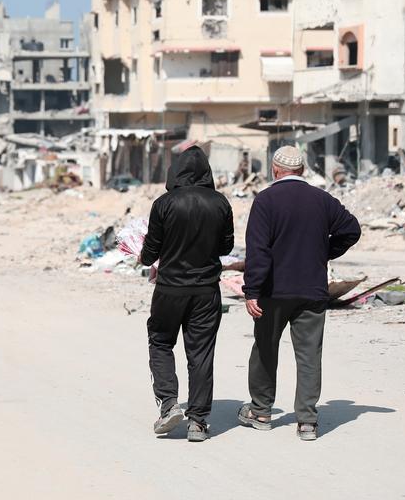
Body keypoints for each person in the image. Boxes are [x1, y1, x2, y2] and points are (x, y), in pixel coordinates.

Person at [239, 145, 361, 441]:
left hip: (273, 291)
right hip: (312, 290)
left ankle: (261, 411)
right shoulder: (322, 200)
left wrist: (252, 290)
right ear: (302, 171)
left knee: (266, 349)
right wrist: (324, 254)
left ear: (275, 170)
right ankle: (307, 421)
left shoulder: (265, 200)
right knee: (309, 355)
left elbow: (258, 251)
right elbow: (351, 230)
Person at [140, 146, 234, 442]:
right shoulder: (221, 203)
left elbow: (149, 253)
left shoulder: (164, 203)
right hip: (206, 291)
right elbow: (226, 248)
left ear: (175, 171)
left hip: (170, 289)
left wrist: (145, 253)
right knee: (201, 353)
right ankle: (198, 422)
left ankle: (168, 404)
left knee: (160, 341)